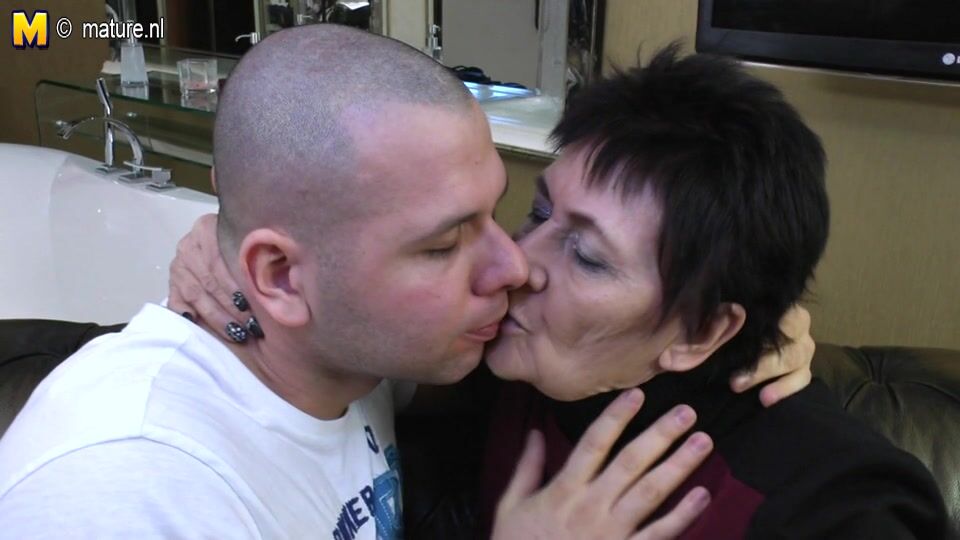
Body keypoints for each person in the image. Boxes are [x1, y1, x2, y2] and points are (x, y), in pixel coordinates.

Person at [0, 26, 813, 540]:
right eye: (444, 244)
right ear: (279, 276)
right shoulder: (121, 489)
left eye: (500, 213)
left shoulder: (354, 363)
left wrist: (738, 323)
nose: (514, 265)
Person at [472, 47, 948, 538]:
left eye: (588, 257)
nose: (517, 262)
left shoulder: (837, 507)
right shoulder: (504, 349)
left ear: (702, 332)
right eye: (540, 212)